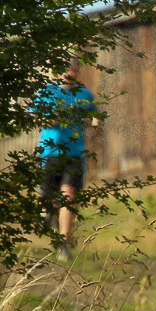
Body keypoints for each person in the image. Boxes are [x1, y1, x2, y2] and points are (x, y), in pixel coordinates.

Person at [33, 56, 101, 261]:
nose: (69, 73)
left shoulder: (84, 94)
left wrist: (94, 125)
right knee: (48, 199)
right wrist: (50, 117)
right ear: (56, 71)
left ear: (77, 72)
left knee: (69, 195)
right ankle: (49, 215)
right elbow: (36, 117)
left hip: (74, 153)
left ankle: (63, 244)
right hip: (50, 152)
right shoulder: (47, 92)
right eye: (65, 70)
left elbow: (97, 117)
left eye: (72, 70)